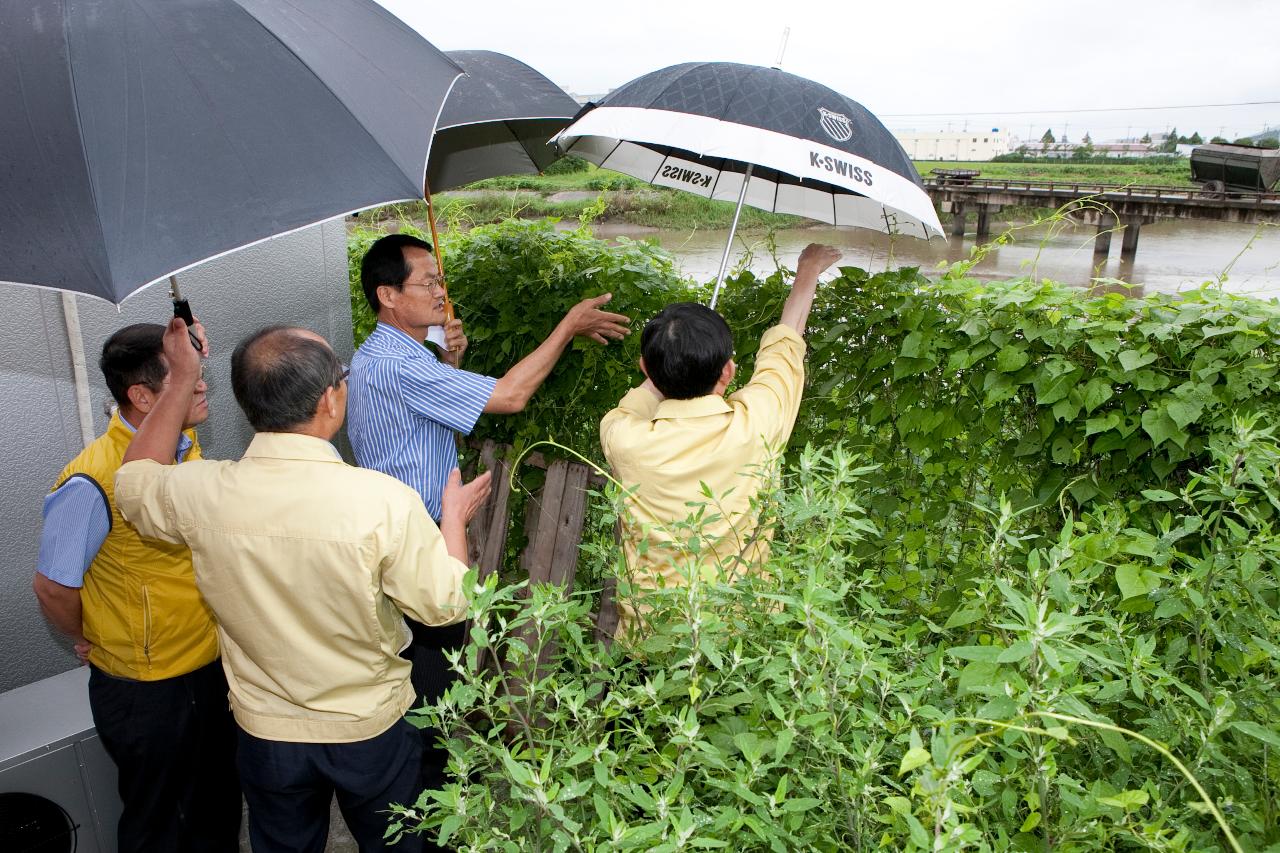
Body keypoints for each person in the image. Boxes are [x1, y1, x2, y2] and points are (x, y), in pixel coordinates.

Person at [113, 321, 492, 853]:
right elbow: (448, 606)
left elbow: (132, 483)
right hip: (369, 726)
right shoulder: (382, 500)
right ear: (330, 401)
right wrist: (454, 519)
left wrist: (180, 378)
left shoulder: (202, 492)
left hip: (265, 730)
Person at [346, 233, 629, 784]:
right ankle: (427, 807)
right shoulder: (396, 364)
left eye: (439, 279)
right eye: (426, 282)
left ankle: (430, 788)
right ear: (387, 294)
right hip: (417, 542)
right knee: (431, 686)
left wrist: (450, 360)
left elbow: (432, 411)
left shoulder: (399, 355)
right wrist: (566, 328)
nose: (439, 291)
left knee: (433, 677)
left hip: (414, 534)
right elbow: (510, 397)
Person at [31, 322, 241, 853]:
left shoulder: (187, 450)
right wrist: (89, 637)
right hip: (144, 690)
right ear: (142, 396)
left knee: (217, 808)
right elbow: (53, 587)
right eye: (187, 378)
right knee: (158, 824)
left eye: (199, 375)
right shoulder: (91, 480)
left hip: (208, 666)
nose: (202, 387)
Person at [599, 243, 843, 642]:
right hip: (740, 639)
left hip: (650, 643)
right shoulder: (757, 424)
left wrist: (669, 358)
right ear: (728, 371)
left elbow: (642, 397)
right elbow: (783, 348)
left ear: (645, 369)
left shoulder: (623, 438)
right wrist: (808, 271)